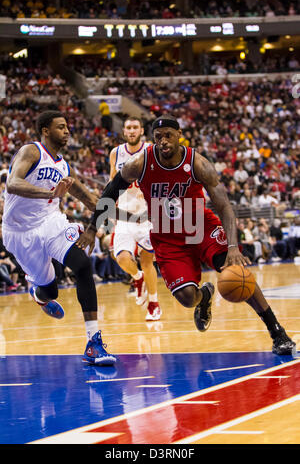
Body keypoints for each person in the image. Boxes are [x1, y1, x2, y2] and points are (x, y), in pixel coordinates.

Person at [78, 115, 296, 356]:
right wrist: (91, 228)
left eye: (168, 135)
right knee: (186, 297)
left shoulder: (197, 163)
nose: (163, 141)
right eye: (158, 137)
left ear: (179, 135)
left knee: (237, 272)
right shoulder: (139, 163)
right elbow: (109, 193)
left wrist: (233, 246)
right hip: (167, 236)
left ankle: (277, 331)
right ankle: (204, 297)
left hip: (200, 227)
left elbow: (223, 205)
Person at [2, 110, 116, 366]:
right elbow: (12, 184)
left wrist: (103, 219)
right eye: (61, 127)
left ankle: (93, 342)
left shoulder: (63, 166)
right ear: (45, 130)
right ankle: (40, 295)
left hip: (51, 223)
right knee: (50, 289)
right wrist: (49, 193)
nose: (67, 131)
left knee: (83, 265)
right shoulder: (31, 152)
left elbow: (90, 199)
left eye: (67, 127)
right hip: (20, 232)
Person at [109, 116, 161, 321]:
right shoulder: (116, 153)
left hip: (147, 215)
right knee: (121, 258)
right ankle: (137, 278)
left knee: (148, 261)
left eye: (135, 128)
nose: (131, 131)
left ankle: (154, 304)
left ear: (141, 131)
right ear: (124, 131)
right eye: (128, 128)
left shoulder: (151, 150)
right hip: (124, 215)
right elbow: (112, 180)